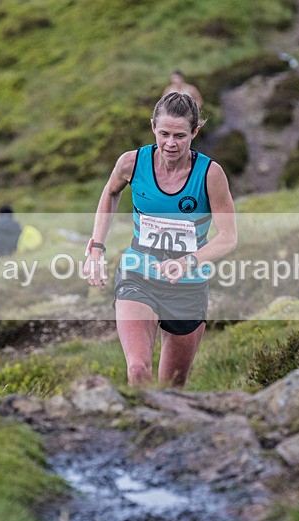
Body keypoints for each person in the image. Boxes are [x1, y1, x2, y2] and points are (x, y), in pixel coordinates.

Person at [83, 93, 237, 387]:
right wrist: (96, 248)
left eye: (180, 135)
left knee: (171, 389)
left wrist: (188, 262)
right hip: (138, 275)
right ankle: (133, 430)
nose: (170, 143)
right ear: (153, 126)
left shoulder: (210, 174)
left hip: (188, 287)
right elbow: (111, 191)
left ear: (195, 132)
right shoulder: (132, 162)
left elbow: (228, 238)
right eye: (164, 133)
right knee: (138, 370)